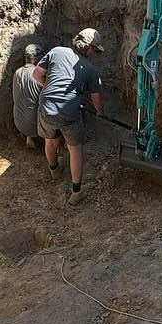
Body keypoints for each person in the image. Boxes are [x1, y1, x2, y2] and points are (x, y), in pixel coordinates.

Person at [35, 28, 105, 205]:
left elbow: (36, 74)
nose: (94, 54)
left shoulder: (57, 51)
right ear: (88, 48)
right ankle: (76, 192)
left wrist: (50, 90)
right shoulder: (90, 69)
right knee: (75, 149)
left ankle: (54, 170)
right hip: (69, 112)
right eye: (95, 50)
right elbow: (96, 97)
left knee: (49, 140)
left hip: (46, 106)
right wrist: (100, 112)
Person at [11, 43, 43, 148]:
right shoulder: (39, 74)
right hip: (36, 126)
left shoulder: (17, 72)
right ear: (37, 58)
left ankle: (29, 137)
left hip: (19, 124)